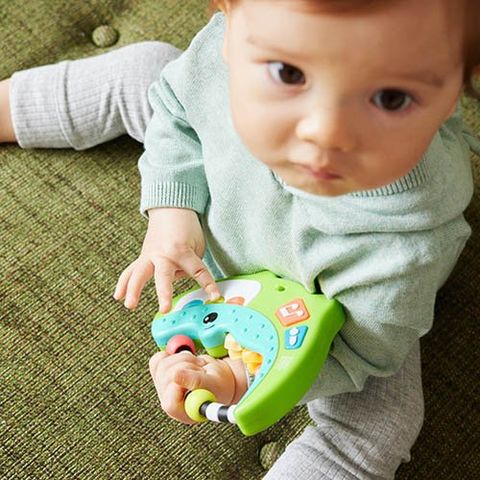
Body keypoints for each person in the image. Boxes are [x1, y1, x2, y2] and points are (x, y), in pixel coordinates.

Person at [1, 0, 479, 478]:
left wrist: (242, 372)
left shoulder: (407, 246)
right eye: (289, 73)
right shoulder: (218, 60)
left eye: (391, 98)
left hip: (336, 313)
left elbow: (358, 350)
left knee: (378, 426)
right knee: (150, 72)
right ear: (226, 23)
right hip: (226, 209)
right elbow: (177, 112)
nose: (326, 133)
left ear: (453, 91)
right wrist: (172, 210)